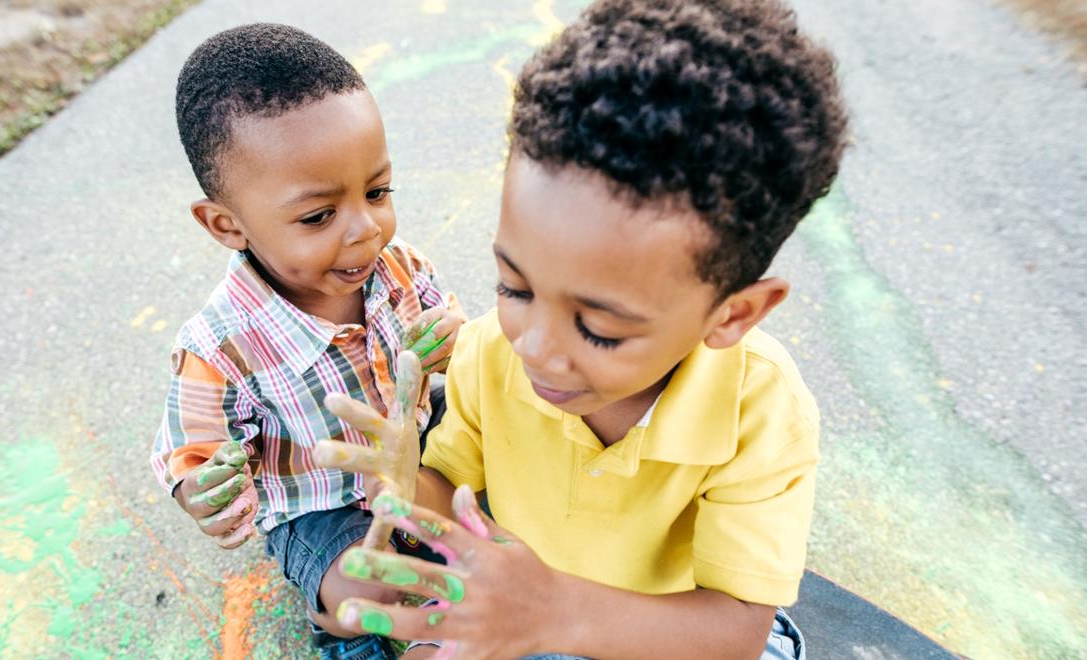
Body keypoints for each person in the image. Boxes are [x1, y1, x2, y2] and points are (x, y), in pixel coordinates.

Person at [317, 0, 848, 657]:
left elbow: (736, 631)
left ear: (731, 314)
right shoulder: (488, 350)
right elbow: (452, 497)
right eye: (515, 287)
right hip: (524, 604)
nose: (534, 348)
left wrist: (556, 611)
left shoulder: (760, 409)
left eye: (598, 328)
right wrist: (406, 484)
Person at [148, 23, 466, 660]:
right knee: (370, 587)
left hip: (421, 449)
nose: (365, 229)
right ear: (226, 224)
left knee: (513, 491)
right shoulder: (220, 347)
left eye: (377, 192)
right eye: (319, 216)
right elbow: (190, 452)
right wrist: (208, 492)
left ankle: (463, 596)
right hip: (323, 508)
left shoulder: (400, 268)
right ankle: (358, 623)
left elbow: (454, 331)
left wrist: (455, 340)